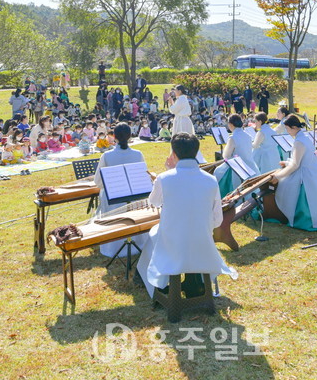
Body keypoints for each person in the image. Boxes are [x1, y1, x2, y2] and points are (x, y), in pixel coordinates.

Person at [136, 133, 238, 298]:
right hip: (201, 238)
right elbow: (217, 219)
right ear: (196, 152)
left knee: (154, 234)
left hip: (173, 240)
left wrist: (167, 172)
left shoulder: (164, 178)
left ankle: (158, 284)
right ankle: (193, 281)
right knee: (184, 236)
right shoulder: (210, 179)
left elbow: (154, 202)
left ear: (174, 154)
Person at [267, 114, 317, 231]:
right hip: (312, 171)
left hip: (306, 174)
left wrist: (278, 176)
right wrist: (287, 163)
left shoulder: (299, 141)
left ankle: (302, 218)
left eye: (288, 129)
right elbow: (300, 160)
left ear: (294, 127)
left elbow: (296, 165)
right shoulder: (305, 136)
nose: (287, 131)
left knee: (284, 187)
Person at [93, 123, 151, 258]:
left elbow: (98, 182)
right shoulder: (138, 154)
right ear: (130, 136)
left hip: (115, 199)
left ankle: (113, 244)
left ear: (114, 137)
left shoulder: (107, 156)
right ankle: (139, 242)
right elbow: (144, 177)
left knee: (104, 196)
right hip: (135, 197)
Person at [214, 114, 256, 197]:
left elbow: (226, 156)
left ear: (231, 124)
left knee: (217, 172)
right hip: (250, 166)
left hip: (237, 167)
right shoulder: (248, 136)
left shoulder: (233, 137)